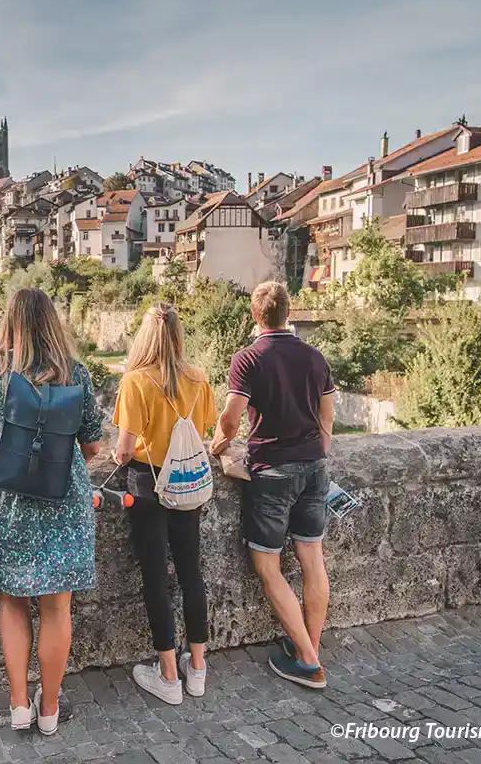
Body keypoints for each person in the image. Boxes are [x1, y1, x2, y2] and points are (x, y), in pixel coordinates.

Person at [0, 287, 104, 734]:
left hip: (10, 505)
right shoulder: (75, 373)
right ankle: (51, 709)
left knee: (13, 602)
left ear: (11, 322)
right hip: (63, 502)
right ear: (52, 322)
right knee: (58, 610)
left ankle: (19, 704)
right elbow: (93, 444)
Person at [210, 280, 335, 689]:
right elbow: (326, 418)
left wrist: (219, 444)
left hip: (274, 470)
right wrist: (316, 451)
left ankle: (309, 660)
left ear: (254, 315)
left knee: (268, 566)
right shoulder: (315, 357)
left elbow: (231, 418)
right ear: (290, 312)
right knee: (312, 559)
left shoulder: (248, 359)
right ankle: (307, 648)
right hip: (315, 465)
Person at [112, 303, 217, 705]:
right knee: (192, 573)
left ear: (145, 336)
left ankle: (169, 677)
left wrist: (124, 450)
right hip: (187, 484)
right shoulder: (199, 379)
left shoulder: (135, 382)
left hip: (147, 484)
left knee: (156, 578)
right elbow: (202, 428)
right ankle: (198, 670)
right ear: (177, 335)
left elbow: (123, 451)